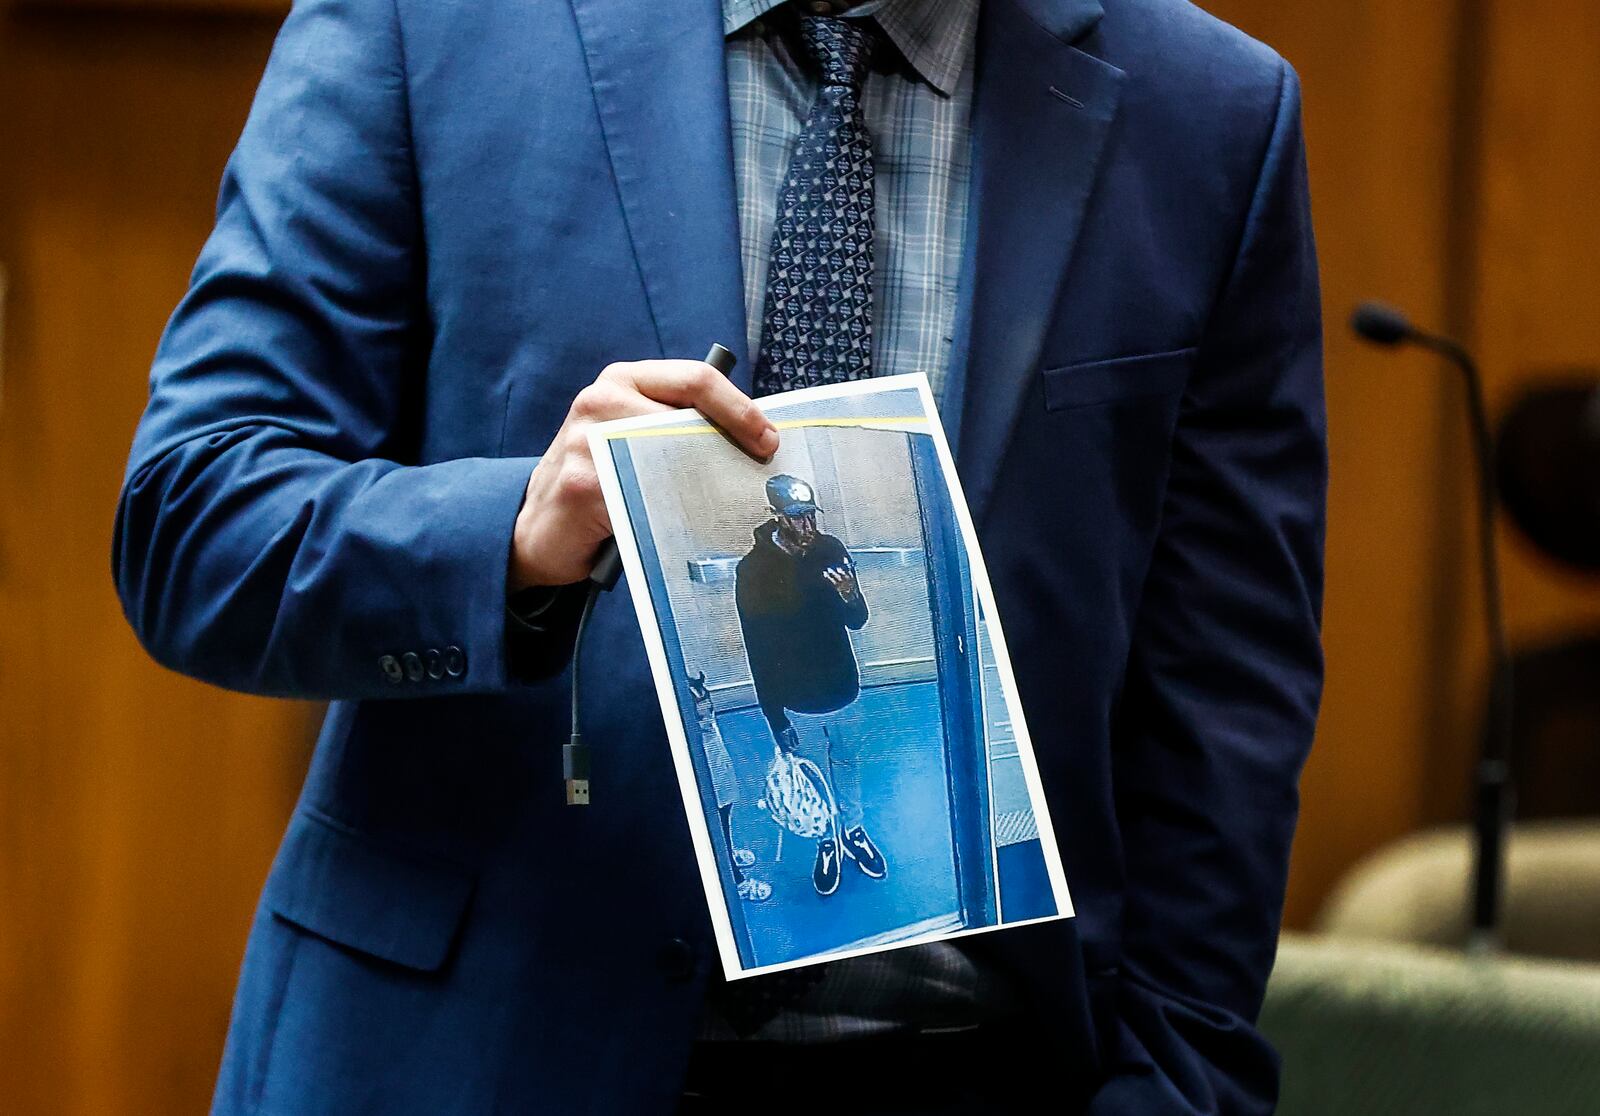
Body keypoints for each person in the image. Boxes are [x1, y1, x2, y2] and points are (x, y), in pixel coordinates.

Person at [112, 0, 1325, 1111]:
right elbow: (195, 516)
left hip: (978, 1061)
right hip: (477, 1050)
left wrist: (1176, 1091)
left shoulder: (1210, 117)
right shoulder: (431, 24)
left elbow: (1225, 700)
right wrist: (513, 539)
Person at [735, 473, 883, 897]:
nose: (808, 527)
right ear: (775, 515)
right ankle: (827, 840)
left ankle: (853, 831)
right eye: (797, 518)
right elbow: (756, 649)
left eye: (811, 516)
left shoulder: (830, 549)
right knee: (812, 780)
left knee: (848, 766)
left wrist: (852, 595)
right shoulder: (754, 570)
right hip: (798, 700)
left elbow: (857, 620)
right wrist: (775, 718)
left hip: (844, 689)